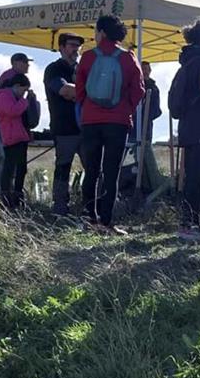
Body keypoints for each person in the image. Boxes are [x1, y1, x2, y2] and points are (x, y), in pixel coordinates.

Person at [75, 14, 145, 234]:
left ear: (102, 32)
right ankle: (106, 221)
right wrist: (125, 108)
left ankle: (89, 218)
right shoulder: (127, 57)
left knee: (91, 170)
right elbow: (139, 89)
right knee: (111, 171)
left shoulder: (87, 57)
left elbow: (79, 89)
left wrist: (87, 105)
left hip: (91, 120)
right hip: (118, 121)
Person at [169, 17, 200, 241]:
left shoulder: (186, 63)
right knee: (196, 179)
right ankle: (190, 224)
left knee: (191, 177)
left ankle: (188, 222)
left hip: (188, 127)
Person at [43, 32, 86, 216]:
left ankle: (91, 206)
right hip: (64, 128)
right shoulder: (54, 69)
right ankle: (60, 208)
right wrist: (93, 94)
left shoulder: (83, 69)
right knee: (63, 168)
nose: (75, 49)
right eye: (71, 45)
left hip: (86, 127)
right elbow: (64, 91)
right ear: (61, 47)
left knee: (93, 168)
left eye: (78, 45)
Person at [0, 73, 34, 209]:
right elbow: (12, 111)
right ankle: (6, 199)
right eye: (24, 90)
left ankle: (16, 197)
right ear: (16, 86)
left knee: (21, 168)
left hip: (18, 136)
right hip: (11, 137)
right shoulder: (4, 96)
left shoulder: (11, 96)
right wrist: (25, 101)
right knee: (9, 170)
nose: (24, 93)